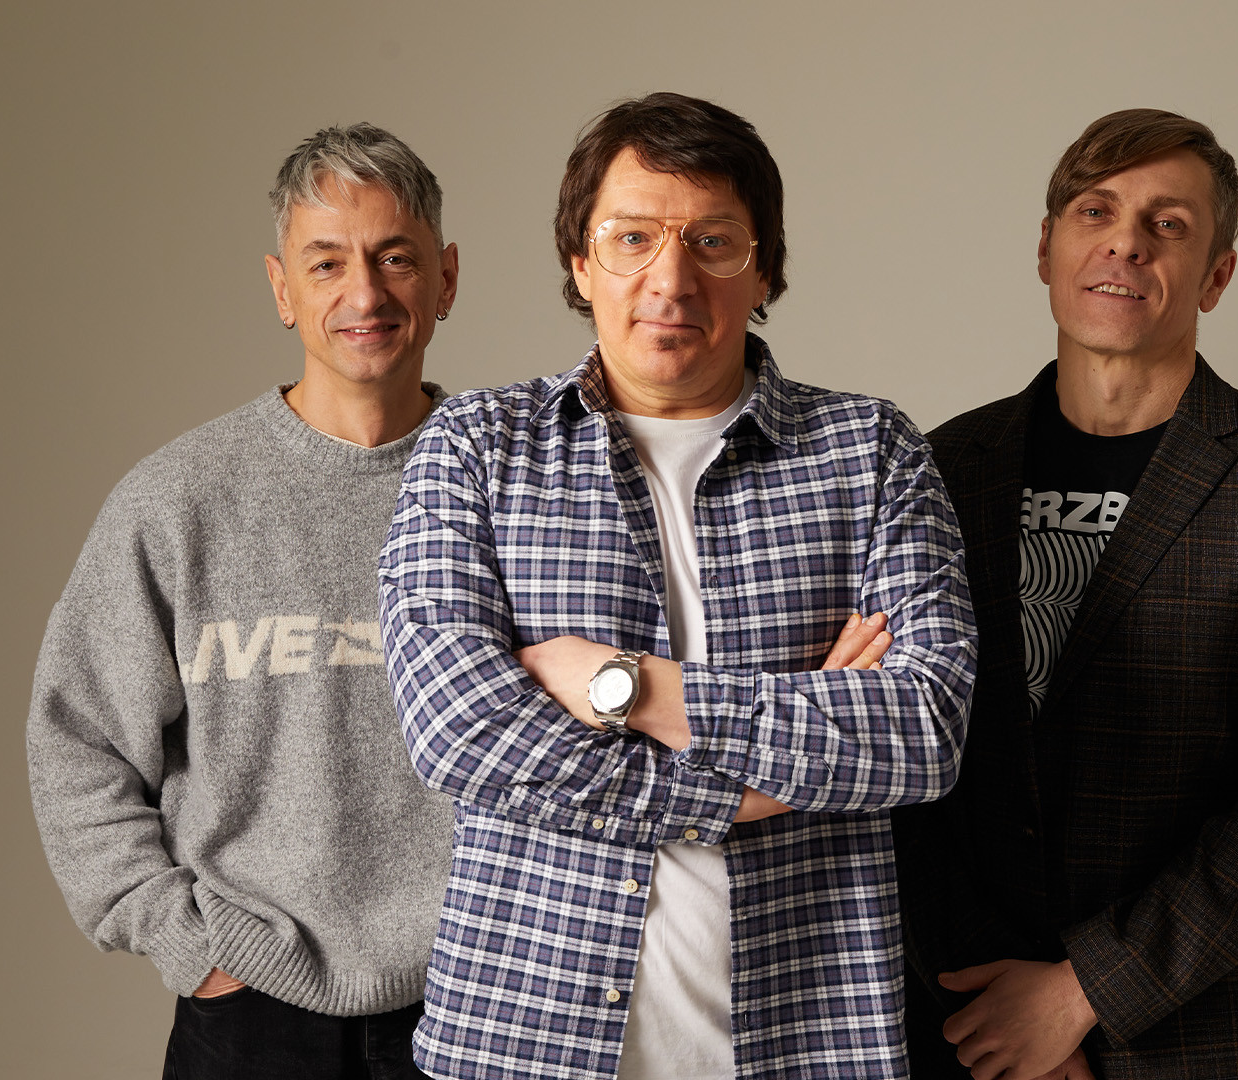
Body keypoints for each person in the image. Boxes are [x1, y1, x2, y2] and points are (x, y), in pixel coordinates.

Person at [378, 92, 977, 1080]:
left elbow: (924, 729)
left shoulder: (869, 451)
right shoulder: (478, 446)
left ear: (765, 267)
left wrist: (627, 686)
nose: (671, 277)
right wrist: (767, 782)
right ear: (580, 262)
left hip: (809, 1038)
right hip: (524, 1039)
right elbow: (458, 730)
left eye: (712, 241)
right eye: (632, 238)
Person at [893, 109, 1238, 1080]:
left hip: (1197, 1035)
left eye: (1168, 224)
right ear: (1046, 247)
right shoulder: (939, 468)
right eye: (1096, 210)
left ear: (1216, 275)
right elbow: (905, 760)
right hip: (963, 1025)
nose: (1125, 241)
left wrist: (1081, 994)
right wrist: (997, 1014)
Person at [27, 122, 460, 1079]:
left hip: (479, 996)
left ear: (447, 278)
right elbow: (76, 742)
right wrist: (184, 941)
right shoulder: (179, 498)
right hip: (249, 1007)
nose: (365, 294)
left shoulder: (511, 489)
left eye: (396, 258)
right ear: (281, 289)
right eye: (327, 263)